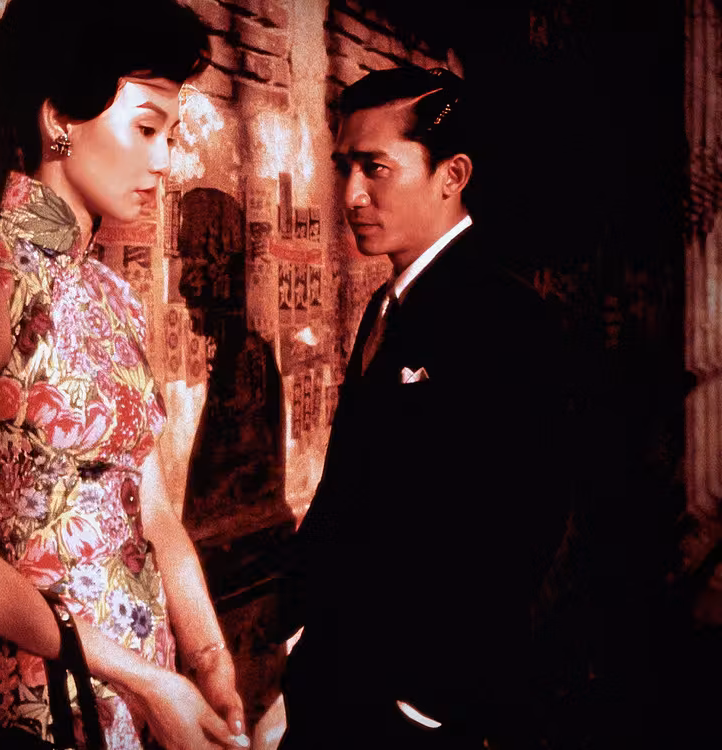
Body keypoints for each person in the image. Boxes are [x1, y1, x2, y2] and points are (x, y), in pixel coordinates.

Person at [0, 1, 250, 747]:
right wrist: (146, 681)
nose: (163, 161)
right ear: (58, 120)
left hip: (153, 699)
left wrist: (209, 659)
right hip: (47, 710)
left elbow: (154, 513)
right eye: (146, 128)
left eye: (170, 135)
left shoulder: (115, 297)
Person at [277, 67, 575, 749]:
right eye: (346, 168)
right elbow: (354, 484)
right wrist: (299, 623)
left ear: (453, 174)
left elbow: (525, 519)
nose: (352, 195)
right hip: (338, 674)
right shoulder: (388, 306)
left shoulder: (504, 314)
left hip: (418, 703)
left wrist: (431, 697)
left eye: (376, 168)